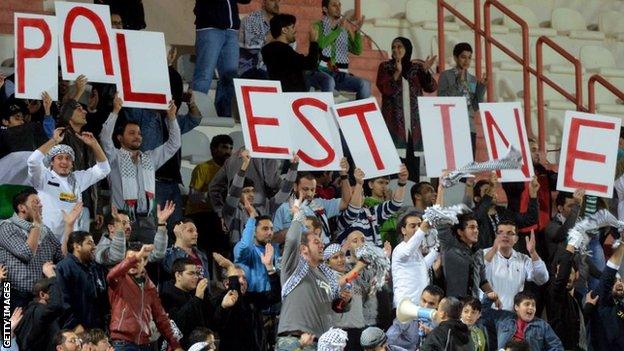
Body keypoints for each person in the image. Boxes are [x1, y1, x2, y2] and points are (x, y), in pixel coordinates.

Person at [99, 95, 181, 244]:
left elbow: (174, 144)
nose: (137, 137)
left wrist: (172, 118)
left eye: (139, 133)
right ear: (119, 138)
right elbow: (104, 138)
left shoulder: (150, 158)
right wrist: (115, 111)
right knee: (121, 260)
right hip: (122, 219)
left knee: (148, 262)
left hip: (148, 221)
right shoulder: (114, 157)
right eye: (131, 133)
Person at [123, 90, 202, 235]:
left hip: (173, 182)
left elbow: (195, 119)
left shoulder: (173, 119)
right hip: (153, 182)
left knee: (176, 229)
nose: (168, 100)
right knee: (155, 229)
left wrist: (191, 103)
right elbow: (128, 106)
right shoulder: (143, 115)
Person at [275, 201, 348, 350]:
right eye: (316, 242)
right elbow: (292, 240)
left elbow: (336, 308)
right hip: (294, 340)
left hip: (321, 342)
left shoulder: (326, 275)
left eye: (321, 242)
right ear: (303, 249)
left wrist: (345, 300)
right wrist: (297, 216)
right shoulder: (293, 267)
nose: (322, 245)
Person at [27, 128, 110, 240]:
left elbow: (104, 169)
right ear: (51, 162)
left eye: (68, 158)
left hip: (69, 238)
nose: (64, 162)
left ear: (72, 163)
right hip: (45, 237)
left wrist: (94, 145)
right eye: (59, 158)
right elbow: (33, 161)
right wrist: (54, 140)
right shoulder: (43, 177)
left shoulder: (78, 178)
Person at [376, 37, 437, 179]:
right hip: (393, 124)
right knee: (395, 167)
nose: (396, 50)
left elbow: (431, 87)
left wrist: (426, 72)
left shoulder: (416, 69)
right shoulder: (385, 67)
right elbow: (385, 89)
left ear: (407, 49)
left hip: (413, 125)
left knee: (412, 168)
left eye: (400, 47)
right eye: (393, 47)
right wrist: (397, 72)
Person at [106, 243, 183, 351]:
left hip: (145, 344)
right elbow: (111, 275)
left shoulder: (150, 287)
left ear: (145, 262)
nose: (133, 263)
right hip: (123, 343)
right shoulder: (119, 280)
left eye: (138, 260)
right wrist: (137, 256)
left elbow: (161, 318)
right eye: (130, 259)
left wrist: (175, 345)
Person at [0, 188, 64, 308]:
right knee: (8, 327)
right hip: (12, 293)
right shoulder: (6, 227)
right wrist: (37, 224)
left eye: (40, 202)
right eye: (36, 202)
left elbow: (62, 256)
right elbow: (26, 253)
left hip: (41, 296)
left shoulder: (45, 230)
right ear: (22, 208)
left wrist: (69, 226)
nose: (41, 205)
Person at [224, 150, 298, 245]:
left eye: (252, 191)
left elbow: (285, 192)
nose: (251, 194)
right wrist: (244, 166)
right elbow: (234, 191)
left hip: (264, 255)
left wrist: (294, 167)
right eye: (246, 191)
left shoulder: (264, 208)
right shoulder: (231, 211)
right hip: (242, 257)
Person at [192, 0, 251, 117]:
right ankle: (194, 114)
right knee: (204, 74)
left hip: (231, 30)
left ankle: (223, 115)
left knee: (229, 76)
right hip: (209, 27)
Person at [211, 253, 281, 351]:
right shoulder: (220, 300)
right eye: (237, 277)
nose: (243, 281)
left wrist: (270, 267)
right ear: (227, 283)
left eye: (244, 277)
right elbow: (237, 306)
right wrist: (230, 268)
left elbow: (275, 296)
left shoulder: (251, 297)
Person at [273, 163, 352, 244]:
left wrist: (344, 175)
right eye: (305, 189)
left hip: (324, 252)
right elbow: (273, 238)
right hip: (300, 253)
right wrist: (295, 230)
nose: (309, 193)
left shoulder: (320, 203)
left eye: (312, 190)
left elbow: (345, 202)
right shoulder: (283, 208)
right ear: (295, 187)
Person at [483, 222, 549, 311]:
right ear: (496, 236)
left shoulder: (523, 259)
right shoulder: (483, 254)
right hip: (487, 314)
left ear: (516, 239)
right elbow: (479, 276)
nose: (505, 236)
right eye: (501, 232)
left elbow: (542, 279)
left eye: (510, 233)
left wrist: (533, 253)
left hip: (512, 317)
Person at [438, 210, 501, 302]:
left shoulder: (479, 253)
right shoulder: (449, 247)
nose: (476, 231)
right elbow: (441, 222)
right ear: (460, 232)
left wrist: (496, 298)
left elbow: (482, 280)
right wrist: (441, 194)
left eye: (477, 228)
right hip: (453, 305)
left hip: (473, 306)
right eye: (471, 227)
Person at [336, 166, 407, 246]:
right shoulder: (342, 215)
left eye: (362, 194)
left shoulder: (370, 212)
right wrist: (359, 184)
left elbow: (395, 204)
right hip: (352, 257)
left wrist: (402, 183)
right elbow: (354, 209)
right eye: (355, 194)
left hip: (374, 256)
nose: (360, 197)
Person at [314, 0, 370, 99]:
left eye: (339, 5)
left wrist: (357, 32)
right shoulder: (318, 26)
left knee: (365, 84)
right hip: (322, 72)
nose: (338, 8)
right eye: (334, 5)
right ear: (325, 9)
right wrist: (338, 30)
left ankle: (356, 112)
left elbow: (357, 50)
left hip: (340, 73)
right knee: (329, 83)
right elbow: (321, 45)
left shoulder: (343, 29)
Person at [547, 242, 598, 350]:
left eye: (569, 273)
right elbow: (562, 278)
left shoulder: (578, 298)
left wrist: (588, 307)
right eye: (562, 274)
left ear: (577, 274)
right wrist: (572, 243)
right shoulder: (554, 294)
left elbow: (577, 325)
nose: (566, 277)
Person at [437, 42, 487, 151]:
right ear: (455, 58)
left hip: (469, 126)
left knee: (469, 163)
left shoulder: (472, 79)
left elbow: (475, 106)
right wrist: (458, 84)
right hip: (451, 125)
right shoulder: (446, 75)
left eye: (469, 58)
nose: (467, 61)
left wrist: (482, 87)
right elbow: (441, 99)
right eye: (463, 57)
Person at [56, 230, 109, 330]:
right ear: (77, 247)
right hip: (76, 331)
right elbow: (63, 302)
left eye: (93, 243)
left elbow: (104, 300)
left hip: (98, 330)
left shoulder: (97, 268)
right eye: (89, 243)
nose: (94, 247)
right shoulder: (63, 268)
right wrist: (75, 326)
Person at [94, 202, 173, 266]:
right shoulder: (99, 250)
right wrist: (119, 229)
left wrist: (161, 224)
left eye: (129, 223)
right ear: (111, 228)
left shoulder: (134, 246)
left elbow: (157, 254)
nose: (128, 227)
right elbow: (116, 256)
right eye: (123, 223)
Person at [473, 171, 539, 249]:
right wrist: (491, 187)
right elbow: (479, 214)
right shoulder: (474, 216)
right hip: (486, 259)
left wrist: (533, 195)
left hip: (507, 258)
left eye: (493, 190)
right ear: (477, 199)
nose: (492, 193)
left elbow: (531, 219)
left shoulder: (504, 213)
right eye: (487, 191)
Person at [481, 291, 563, 350]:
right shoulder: (503, 318)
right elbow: (481, 314)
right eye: (527, 304)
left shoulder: (543, 326)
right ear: (516, 307)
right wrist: (488, 298)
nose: (531, 308)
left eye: (533, 305)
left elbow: (557, 347)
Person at [160, 258, 212, 349]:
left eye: (197, 273)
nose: (196, 277)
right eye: (191, 273)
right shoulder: (166, 296)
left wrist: (223, 305)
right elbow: (176, 325)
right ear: (178, 275)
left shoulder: (195, 293)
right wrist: (197, 298)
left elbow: (208, 320)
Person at [391, 213, 439, 309]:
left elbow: (422, 267)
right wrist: (422, 229)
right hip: (403, 309)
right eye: (413, 226)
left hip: (419, 308)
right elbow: (409, 251)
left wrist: (437, 249)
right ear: (403, 230)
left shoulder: (417, 252)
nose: (417, 229)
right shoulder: (399, 249)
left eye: (419, 225)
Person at [262, 14, 320, 92]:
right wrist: (313, 42)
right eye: (292, 27)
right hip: (291, 96)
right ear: (284, 30)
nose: (295, 31)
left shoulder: (268, 49)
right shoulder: (283, 50)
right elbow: (310, 64)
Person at [233, 203, 281, 293]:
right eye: (265, 229)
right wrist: (252, 218)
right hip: (251, 301)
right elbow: (246, 245)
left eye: (271, 229)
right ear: (254, 232)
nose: (270, 232)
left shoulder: (273, 249)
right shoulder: (242, 248)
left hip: (272, 301)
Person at [14, 266, 63, 351]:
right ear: (42, 295)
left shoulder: (29, 310)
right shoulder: (40, 311)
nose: (56, 296)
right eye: (52, 292)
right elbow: (56, 305)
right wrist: (52, 277)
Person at [386, 285, 444, 351]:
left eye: (431, 304)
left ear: (438, 305)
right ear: (420, 298)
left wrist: (431, 333)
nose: (425, 306)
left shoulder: (439, 322)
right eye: (424, 301)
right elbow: (388, 339)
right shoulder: (407, 313)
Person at [591, 239, 624, 350]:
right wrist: (622, 244)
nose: (619, 284)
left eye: (621, 281)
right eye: (615, 282)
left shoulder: (621, 305)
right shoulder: (603, 302)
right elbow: (607, 277)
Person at [238, 0, 281, 79]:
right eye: (273, 0)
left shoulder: (280, 22)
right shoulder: (252, 19)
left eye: (278, 1)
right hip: (249, 68)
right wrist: (273, 33)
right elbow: (253, 49)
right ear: (264, 2)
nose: (276, 3)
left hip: (271, 69)